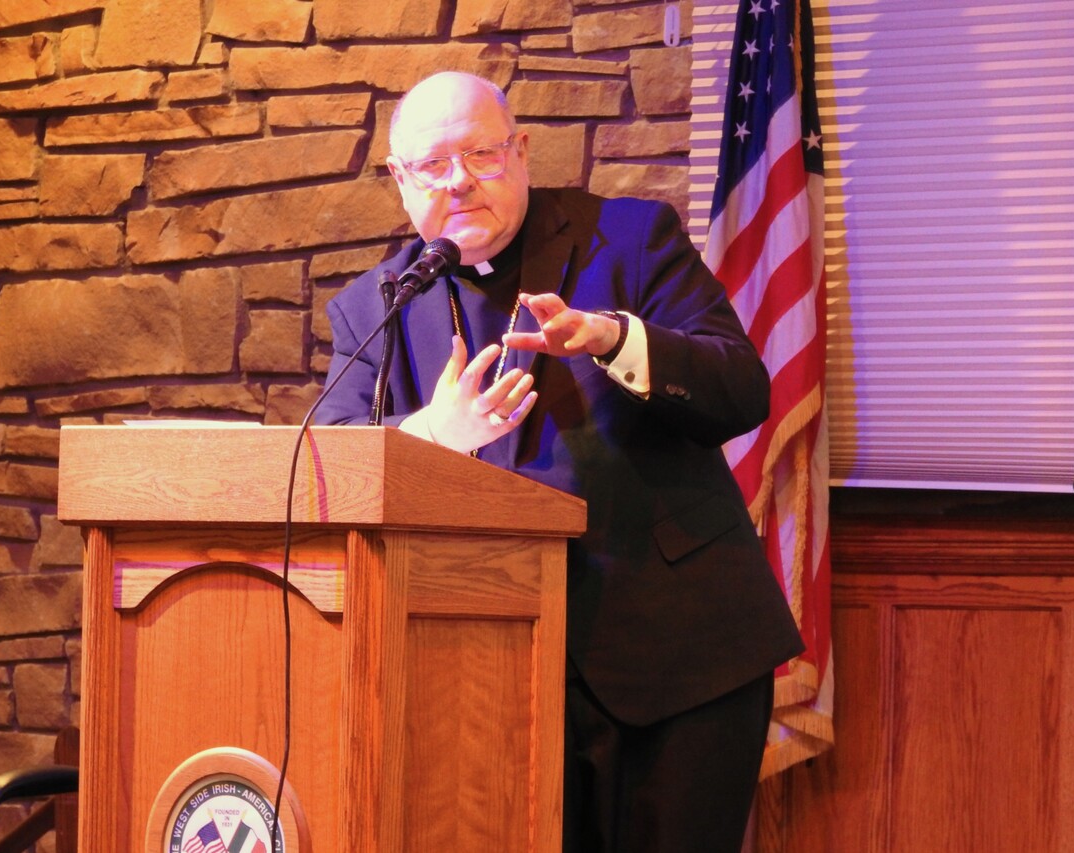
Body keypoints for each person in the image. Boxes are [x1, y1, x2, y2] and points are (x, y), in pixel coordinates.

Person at [316, 71, 804, 852]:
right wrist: (434, 432)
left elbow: (742, 389)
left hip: (677, 660)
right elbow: (329, 460)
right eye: (432, 166)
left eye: (480, 154)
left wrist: (615, 337)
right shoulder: (377, 306)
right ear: (399, 180)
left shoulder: (631, 240)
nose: (458, 182)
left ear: (520, 150)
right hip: (486, 676)